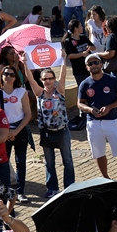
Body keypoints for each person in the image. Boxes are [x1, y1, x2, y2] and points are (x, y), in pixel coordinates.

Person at [77, 53, 117, 181]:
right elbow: (80, 103)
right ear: (87, 67)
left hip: (111, 121)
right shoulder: (84, 84)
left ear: (101, 64)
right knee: (98, 153)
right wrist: (90, 110)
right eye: (90, 64)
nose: (93, 65)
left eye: (96, 62)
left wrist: (109, 107)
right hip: (93, 123)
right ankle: (105, 178)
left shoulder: (112, 80)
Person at [27, 61, 73, 197]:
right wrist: (25, 63)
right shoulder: (39, 93)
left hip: (62, 131)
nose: (47, 81)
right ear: (41, 80)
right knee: (49, 162)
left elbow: (63, 76)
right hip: (46, 132)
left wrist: (64, 60)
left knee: (67, 160)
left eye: (50, 78)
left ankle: (69, 187)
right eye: (44, 79)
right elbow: (30, 78)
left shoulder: (60, 91)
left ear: (54, 79)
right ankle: (52, 188)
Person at [0, 64, 31, 203]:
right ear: (1, 76)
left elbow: (28, 114)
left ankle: (20, 192)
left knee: (21, 162)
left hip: (19, 130)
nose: (8, 77)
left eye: (11, 74)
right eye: (5, 74)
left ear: (16, 77)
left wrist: (16, 131)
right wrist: (5, 132)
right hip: (2, 132)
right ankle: (4, 192)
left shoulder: (21, 92)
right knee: (4, 163)